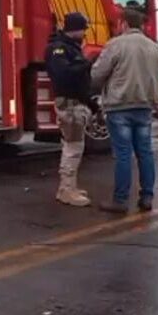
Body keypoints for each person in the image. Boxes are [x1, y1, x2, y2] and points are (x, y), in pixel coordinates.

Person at [91, 8, 158, 213]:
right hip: (144, 107)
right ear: (141, 25)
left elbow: (97, 74)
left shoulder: (115, 45)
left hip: (119, 107)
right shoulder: (154, 48)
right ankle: (147, 198)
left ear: (123, 24)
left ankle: (120, 200)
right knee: (145, 152)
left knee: (123, 154)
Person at [45, 12, 97, 207]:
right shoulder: (58, 49)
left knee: (73, 146)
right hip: (70, 105)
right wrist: (86, 64)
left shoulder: (69, 48)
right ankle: (67, 191)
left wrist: (91, 104)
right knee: (73, 148)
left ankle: (69, 187)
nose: (85, 33)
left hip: (75, 103)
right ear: (75, 29)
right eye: (83, 29)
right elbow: (63, 75)